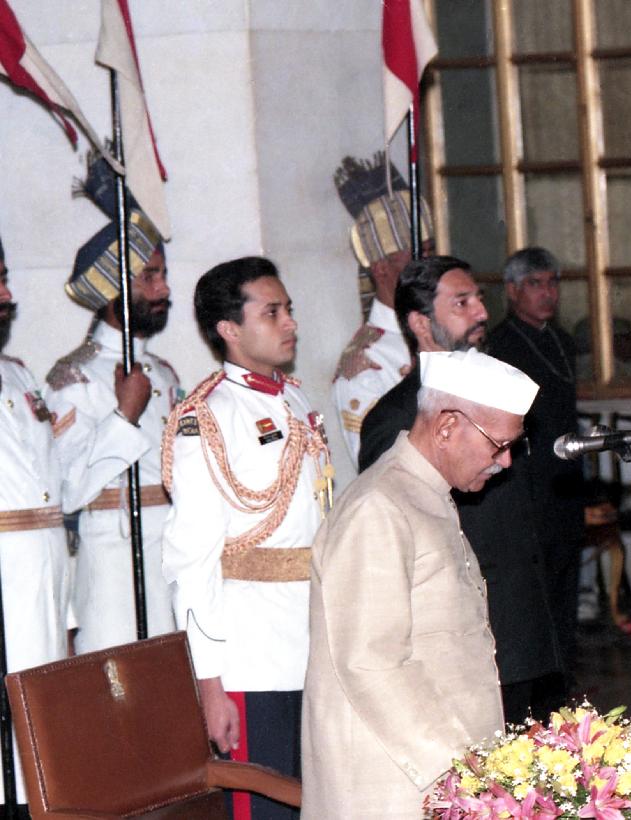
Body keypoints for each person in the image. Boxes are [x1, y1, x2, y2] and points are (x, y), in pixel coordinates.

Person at [302, 349, 538, 819]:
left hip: (440, 773)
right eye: (498, 445)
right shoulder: (378, 507)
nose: (506, 461)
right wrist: (460, 769)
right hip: (394, 783)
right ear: (447, 426)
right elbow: (372, 662)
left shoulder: (424, 495)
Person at [161, 257, 333, 820]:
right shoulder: (207, 419)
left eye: (289, 310)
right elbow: (192, 562)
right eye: (272, 312)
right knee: (264, 809)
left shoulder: (296, 401)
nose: (290, 323)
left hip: (315, 643)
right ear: (229, 329)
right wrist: (210, 685)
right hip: (252, 655)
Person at [359, 257, 561, 723]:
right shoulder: (398, 416)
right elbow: (394, 526)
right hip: (467, 631)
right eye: (461, 303)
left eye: (479, 299)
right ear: (419, 322)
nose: (481, 313)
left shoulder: (498, 392)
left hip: (528, 617)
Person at [46, 155, 179, 653]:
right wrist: (124, 416)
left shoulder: (164, 373)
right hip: (113, 565)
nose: (163, 288)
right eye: (149, 276)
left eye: (163, 274)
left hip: (173, 555)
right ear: (111, 288)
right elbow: (67, 489)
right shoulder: (73, 377)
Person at [487, 247, 586, 697]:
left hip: (564, 483)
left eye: (552, 283)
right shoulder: (501, 345)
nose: (547, 293)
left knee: (566, 588)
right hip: (526, 485)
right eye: (534, 284)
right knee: (535, 594)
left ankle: (562, 680)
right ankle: (537, 688)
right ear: (512, 291)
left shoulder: (561, 340)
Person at [0, 232, 74, 815]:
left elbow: (54, 489)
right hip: (6, 578)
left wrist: (68, 611)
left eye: (4, 280)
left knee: (45, 720)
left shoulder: (20, 377)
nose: (7, 296)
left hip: (44, 574)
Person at [330, 153, 434, 464]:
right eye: (416, 256)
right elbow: (380, 465)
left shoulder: (440, 331)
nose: (428, 266)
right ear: (381, 268)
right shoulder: (366, 362)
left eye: (431, 252)